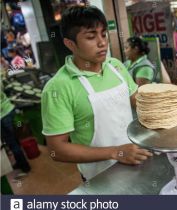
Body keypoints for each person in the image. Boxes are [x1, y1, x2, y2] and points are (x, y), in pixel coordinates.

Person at [41, 6, 152, 181]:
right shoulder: (58, 87)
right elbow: (57, 150)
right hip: (100, 174)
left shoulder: (115, 66)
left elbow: (136, 100)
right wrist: (116, 152)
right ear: (70, 44)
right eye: (91, 37)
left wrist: (163, 111)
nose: (102, 43)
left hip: (135, 155)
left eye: (103, 34)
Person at [1, 90, 31, 173]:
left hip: (2, 116)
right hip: (10, 109)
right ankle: (20, 161)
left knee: (12, 143)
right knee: (15, 138)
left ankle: (25, 166)